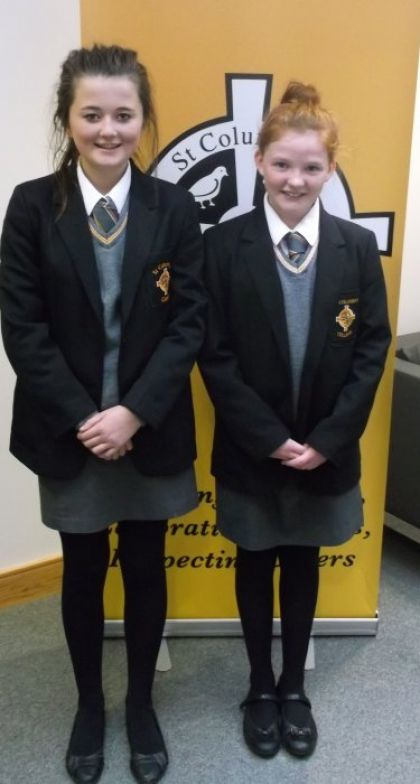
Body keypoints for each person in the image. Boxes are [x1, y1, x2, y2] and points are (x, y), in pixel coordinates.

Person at [0, 45, 205, 784]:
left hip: (150, 431)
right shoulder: (31, 206)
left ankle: (141, 703)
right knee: (83, 570)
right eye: (92, 114)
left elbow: (190, 321)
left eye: (124, 114)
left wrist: (133, 414)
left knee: (147, 565)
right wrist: (90, 419)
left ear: (143, 120)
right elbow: (22, 326)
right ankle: (90, 704)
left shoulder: (174, 208)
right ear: (67, 119)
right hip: (70, 432)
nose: (109, 129)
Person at [199, 82, 391, 760]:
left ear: (330, 169)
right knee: (254, 562)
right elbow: (214, 354)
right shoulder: (223, 246)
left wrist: (327, 440)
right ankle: (259, 686)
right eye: (282, 163)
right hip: (253, 447)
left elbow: (371, 348)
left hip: (323, 447)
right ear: (259, 162)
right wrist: (269, 438)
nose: (294, 179)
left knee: (303, 562)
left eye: (311, 167)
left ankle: (294, 688)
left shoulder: (355, 247)